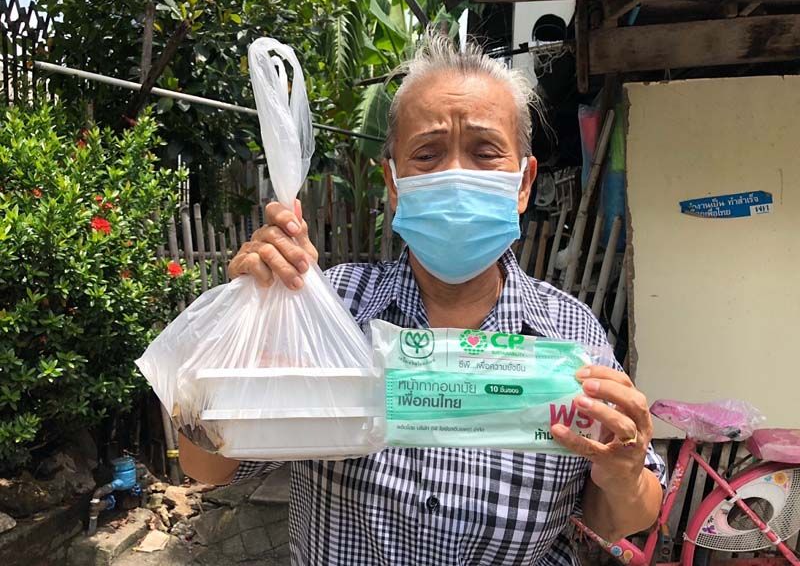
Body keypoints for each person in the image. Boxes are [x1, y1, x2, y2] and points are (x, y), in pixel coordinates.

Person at [179, 31, 665, 565]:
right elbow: (207, 465)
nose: (456, 176)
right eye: (427, 154)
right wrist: (252, 313)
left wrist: (623, 474)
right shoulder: (331, 310)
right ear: (394, 183)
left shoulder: (570, 336)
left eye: (484, 152)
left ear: (523, 183)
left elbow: (619, 515)